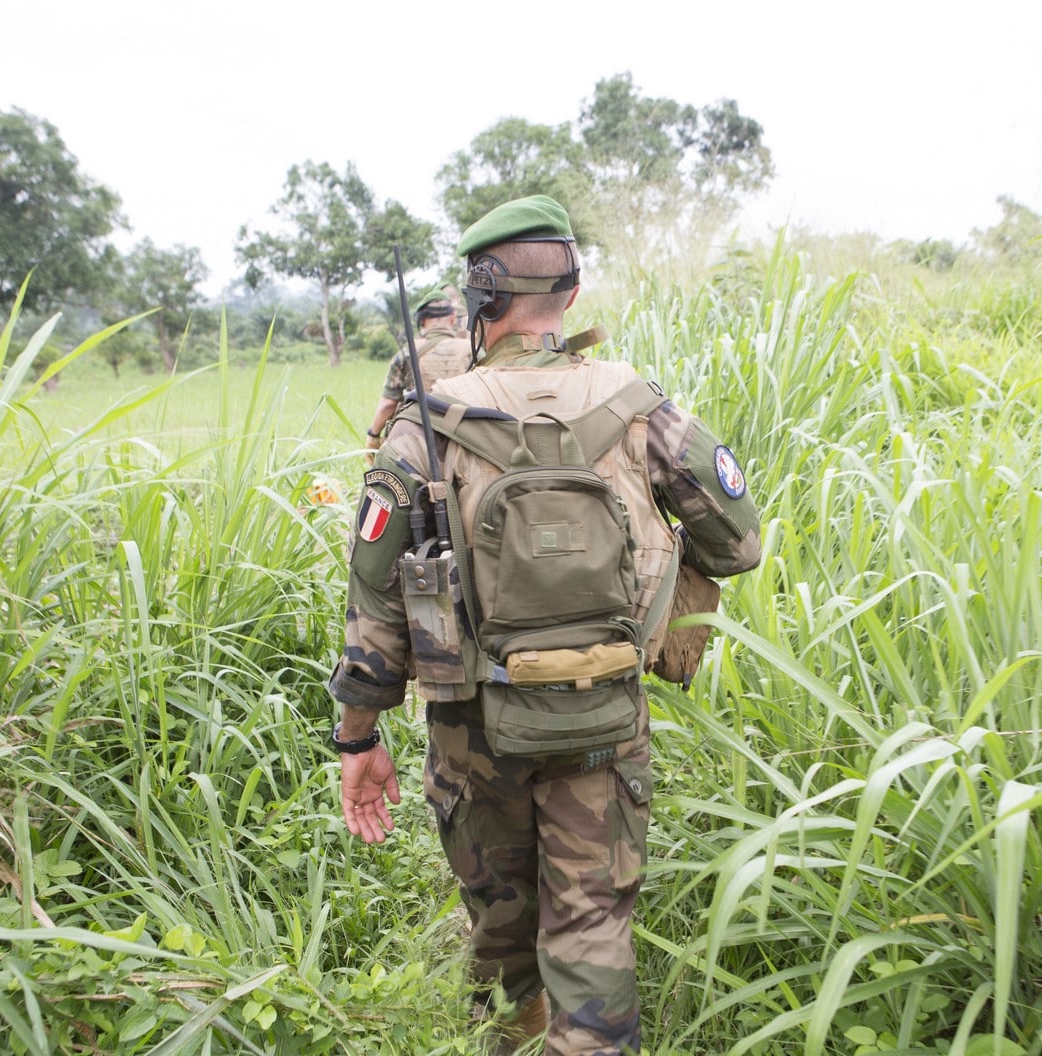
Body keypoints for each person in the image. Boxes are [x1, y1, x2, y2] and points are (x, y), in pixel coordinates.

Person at [327, 195, 762, 1055]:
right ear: (567, 289)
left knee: (500, 920)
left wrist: (358, 741)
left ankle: (513, 1037)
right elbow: (740, 543)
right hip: (603, 715)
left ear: (483, 294)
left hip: (470, 729)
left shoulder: (427, 425)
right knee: (590, 921)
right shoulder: (641, 407)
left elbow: (375, 608)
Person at [366, 288, 472, 445]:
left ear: (422, 321)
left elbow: (389, 403)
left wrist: (373, 435)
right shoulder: (472, 351)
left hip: (415, 439)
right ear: (452, 317)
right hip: (463, 437)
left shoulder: (406, 353)